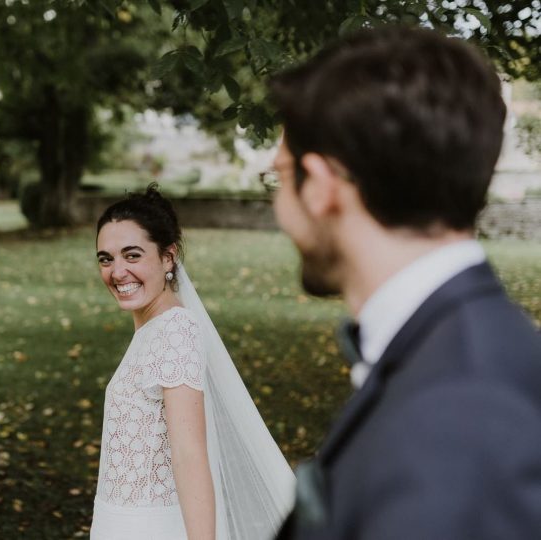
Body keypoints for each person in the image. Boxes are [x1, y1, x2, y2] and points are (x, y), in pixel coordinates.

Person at [267, 26, 541, 539]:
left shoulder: (461, 418)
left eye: (279, 177)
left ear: (322, 187)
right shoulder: (459, 346)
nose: (279, 205)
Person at [90, 184, 295, 540]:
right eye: (106, 259)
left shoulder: (175, 330)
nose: (117, 271)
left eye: (132, 255)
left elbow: (190, 455)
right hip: (119, 522)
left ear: (168, 257)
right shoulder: (154, 329)